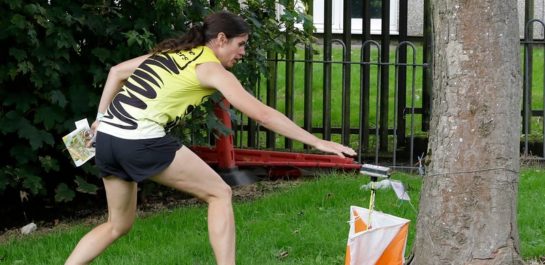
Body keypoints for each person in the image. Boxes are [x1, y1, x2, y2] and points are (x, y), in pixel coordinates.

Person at [65, 11, 356, 265]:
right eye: (240, 44)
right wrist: (320, 143)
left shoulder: (171, 55)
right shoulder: (209, 68)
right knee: (220, 193)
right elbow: (263, 115)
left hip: (107, 141)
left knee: (118, 225)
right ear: (220, 39)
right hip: (141, 140)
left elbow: (116, 72)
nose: (242, 52)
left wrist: (100, 121)